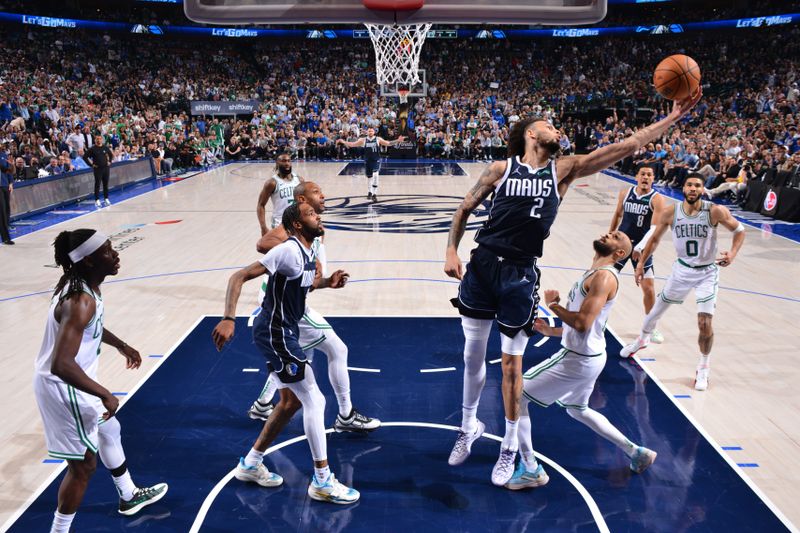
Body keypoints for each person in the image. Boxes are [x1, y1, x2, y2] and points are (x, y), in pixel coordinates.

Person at [444, 90, 701, 486]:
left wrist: (671, 118)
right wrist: (451, 251)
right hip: (481, 265)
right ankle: (468, 427)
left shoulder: (563, 169)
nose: (556, 128)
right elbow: (463, 209)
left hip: (519, 272)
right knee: (472, 355)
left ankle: (510, 451)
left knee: (511, 365)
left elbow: (627, 145)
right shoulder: (500, 169)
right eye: (548, 124)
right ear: (531, 133)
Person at [212, 203, 360, 504]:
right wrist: (229, 318)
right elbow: (237, 277)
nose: (317, 215)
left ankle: (251, 464)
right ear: (295, 225)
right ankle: (322, 480)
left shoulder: (308, 250)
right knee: (314, 399)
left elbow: (303, 285)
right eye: (309, 214)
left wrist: (326, 283)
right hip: (276, 332)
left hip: (284, 330)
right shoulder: (288, 251)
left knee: (291, 402)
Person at [34, 229, 168, 532]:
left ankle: (128, 494)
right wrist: (105, 393)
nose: (115, 254)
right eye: (108, 251)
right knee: (83, 467)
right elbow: (61, 364)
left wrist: (120, 344)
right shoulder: (80, 299)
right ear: (90, 260)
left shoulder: (84, 287)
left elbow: (88, 328)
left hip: (74, 380)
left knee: (110, 429)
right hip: (64, 386)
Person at [508, 231, 657, 489]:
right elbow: (589, 325)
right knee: (578, 409)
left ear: (619, 253)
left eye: (615, 236)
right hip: (591, 356)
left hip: (577, 360)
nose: (609, 233)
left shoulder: (604, 276)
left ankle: (530, 469)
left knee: (516, 396)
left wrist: (554, 306)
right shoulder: (595, 273)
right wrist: (552, 331)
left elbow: (582, 322)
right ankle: (636, 452)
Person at [248, 182, 380, 433]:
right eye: (316, 193)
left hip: (293, 300)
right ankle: (345, 414)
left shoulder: (314, 228)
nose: (323, 195)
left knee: (300, 357)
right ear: (301, 200)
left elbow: (308, 280)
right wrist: (297, 251)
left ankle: (262, 404)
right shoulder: (291, 232)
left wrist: (322, 276)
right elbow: (262, 244)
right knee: (337, 350)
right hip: (283, 305)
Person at [619, 174, 746, 391]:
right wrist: (640, 265)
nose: (693, 188)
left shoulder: (714, 211)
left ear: (703, 189)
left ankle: (703, 367)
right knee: (655, 312)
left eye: (697, 185)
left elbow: (739, 230)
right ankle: (642, 340)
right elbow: (655, 238)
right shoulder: (671, 212)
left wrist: (733, 253)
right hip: (681, 271)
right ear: (684, 188)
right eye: (689, 184)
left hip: (707, 272)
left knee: (705, 323)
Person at [608, 163, 667, 343]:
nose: (646, 177)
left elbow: (654, 228)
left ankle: (651, 328)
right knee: (604, 279)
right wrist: (610, 236)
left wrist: (640, 247)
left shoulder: (657, 199)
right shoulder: (625, 193)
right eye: (643, 174)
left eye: (649, 174)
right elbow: (618, 215)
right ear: (637, 177)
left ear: (653, 179)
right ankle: (595, 316)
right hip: (621, 245)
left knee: (648, 288)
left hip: (642, 247)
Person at [336, 127, 405, 202]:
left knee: (375, 175)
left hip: (376, 160)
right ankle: (370, 192)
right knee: (369, 177)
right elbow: (352, 144)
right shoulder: (363, 140)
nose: (370, 132)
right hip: (368, 161)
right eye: (369, 131)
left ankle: (374, 194)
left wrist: (397, 140)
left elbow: (388, 143)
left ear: (374, 132)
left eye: (371, 131)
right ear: (367, 132)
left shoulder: (378, 139)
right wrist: (343, 142)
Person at [257, 152, 304, 235]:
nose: (287, 163)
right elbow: (261, 205)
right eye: (283, 161)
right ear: (277, 163)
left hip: (297, 222)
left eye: (289, 161)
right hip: (280, 223)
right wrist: (263, 227)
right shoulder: (272, 183)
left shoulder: (299, 180)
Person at [84, 136, 114, 208]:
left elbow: (110, 155)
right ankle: (97, 200)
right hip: (98, 169)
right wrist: (91, 165)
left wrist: (109, 161)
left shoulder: (105, 147)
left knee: (105, 184)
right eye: (97, 139)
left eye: (100, 139)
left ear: (102, 140)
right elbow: (85, 157)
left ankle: (106, 198)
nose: (99, 140)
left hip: (106, 168)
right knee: (97, 184)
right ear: (95, 140)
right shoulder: (92, 149)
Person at [0, 146, 13, 244]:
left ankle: (6, 231)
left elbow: (8, 170)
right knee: (2, 212)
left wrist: (11, 182)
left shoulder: (4, 155)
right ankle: (5, 237)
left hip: (5, 185)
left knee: (7, 209)